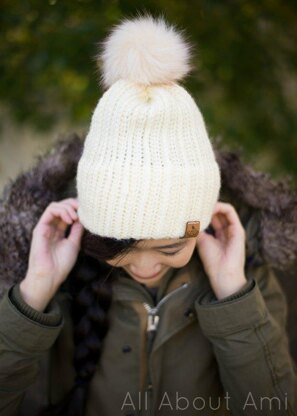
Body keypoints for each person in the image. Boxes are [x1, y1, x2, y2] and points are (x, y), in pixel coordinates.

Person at [0, 15, 296, 416]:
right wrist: (33, 293)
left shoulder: (249, 275)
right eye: (119, 246)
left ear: (203, 220)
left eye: (170, 246)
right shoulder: (48, 281)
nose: (143, 266)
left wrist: (233, 296)